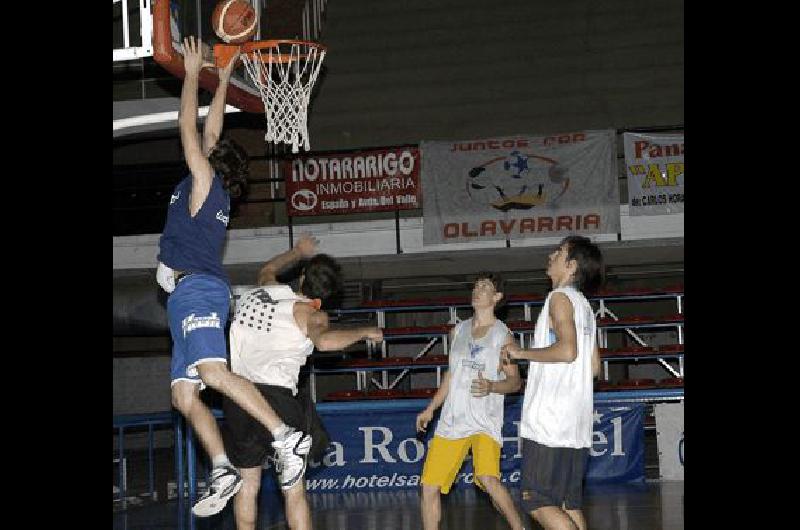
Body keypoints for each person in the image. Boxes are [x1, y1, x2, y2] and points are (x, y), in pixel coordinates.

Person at [156, 37, 306, 518]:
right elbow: (212, 131)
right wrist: (220, 80)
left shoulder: (204, 182)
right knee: (185, 396)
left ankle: (286, 436)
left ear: (212, 163)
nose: (204, 146)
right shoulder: (208, 187)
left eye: (208, 150)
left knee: (214, 374)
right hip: (185, 294)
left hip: (197, 288)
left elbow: (189, 129)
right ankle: (221, 467)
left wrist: (190, 76)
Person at [222, 234, 384, 530]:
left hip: (237, 396)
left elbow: (267, 269)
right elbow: (324, 343)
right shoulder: (313, 315)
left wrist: (298, 251)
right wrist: (364, 332)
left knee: (247, 484)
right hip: (276, 401)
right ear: (328, 296)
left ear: (302, 276)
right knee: (293, 488)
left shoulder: (264, 290)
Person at [502, 236, 604, 530]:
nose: (551, 255)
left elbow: (567, 350)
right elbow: (594, 367)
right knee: (567, 504)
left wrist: (521, 352)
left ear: (571, 266)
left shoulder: (558, 298)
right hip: (576, 422)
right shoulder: (585, 306)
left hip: (550, 420)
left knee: (534, 499)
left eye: (558, 252)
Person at [415, 273, 525, 530]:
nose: (478, 291)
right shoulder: (458, 331)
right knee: (429, 487)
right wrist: (431, 408)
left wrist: (492, 386)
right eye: (476, 286)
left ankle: (518, 527)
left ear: (497, 297)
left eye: (485, 287)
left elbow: (515, 382)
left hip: (484, 420)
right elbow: (452, 374)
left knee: (488, 478)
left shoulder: (503, 337)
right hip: (453, 419)